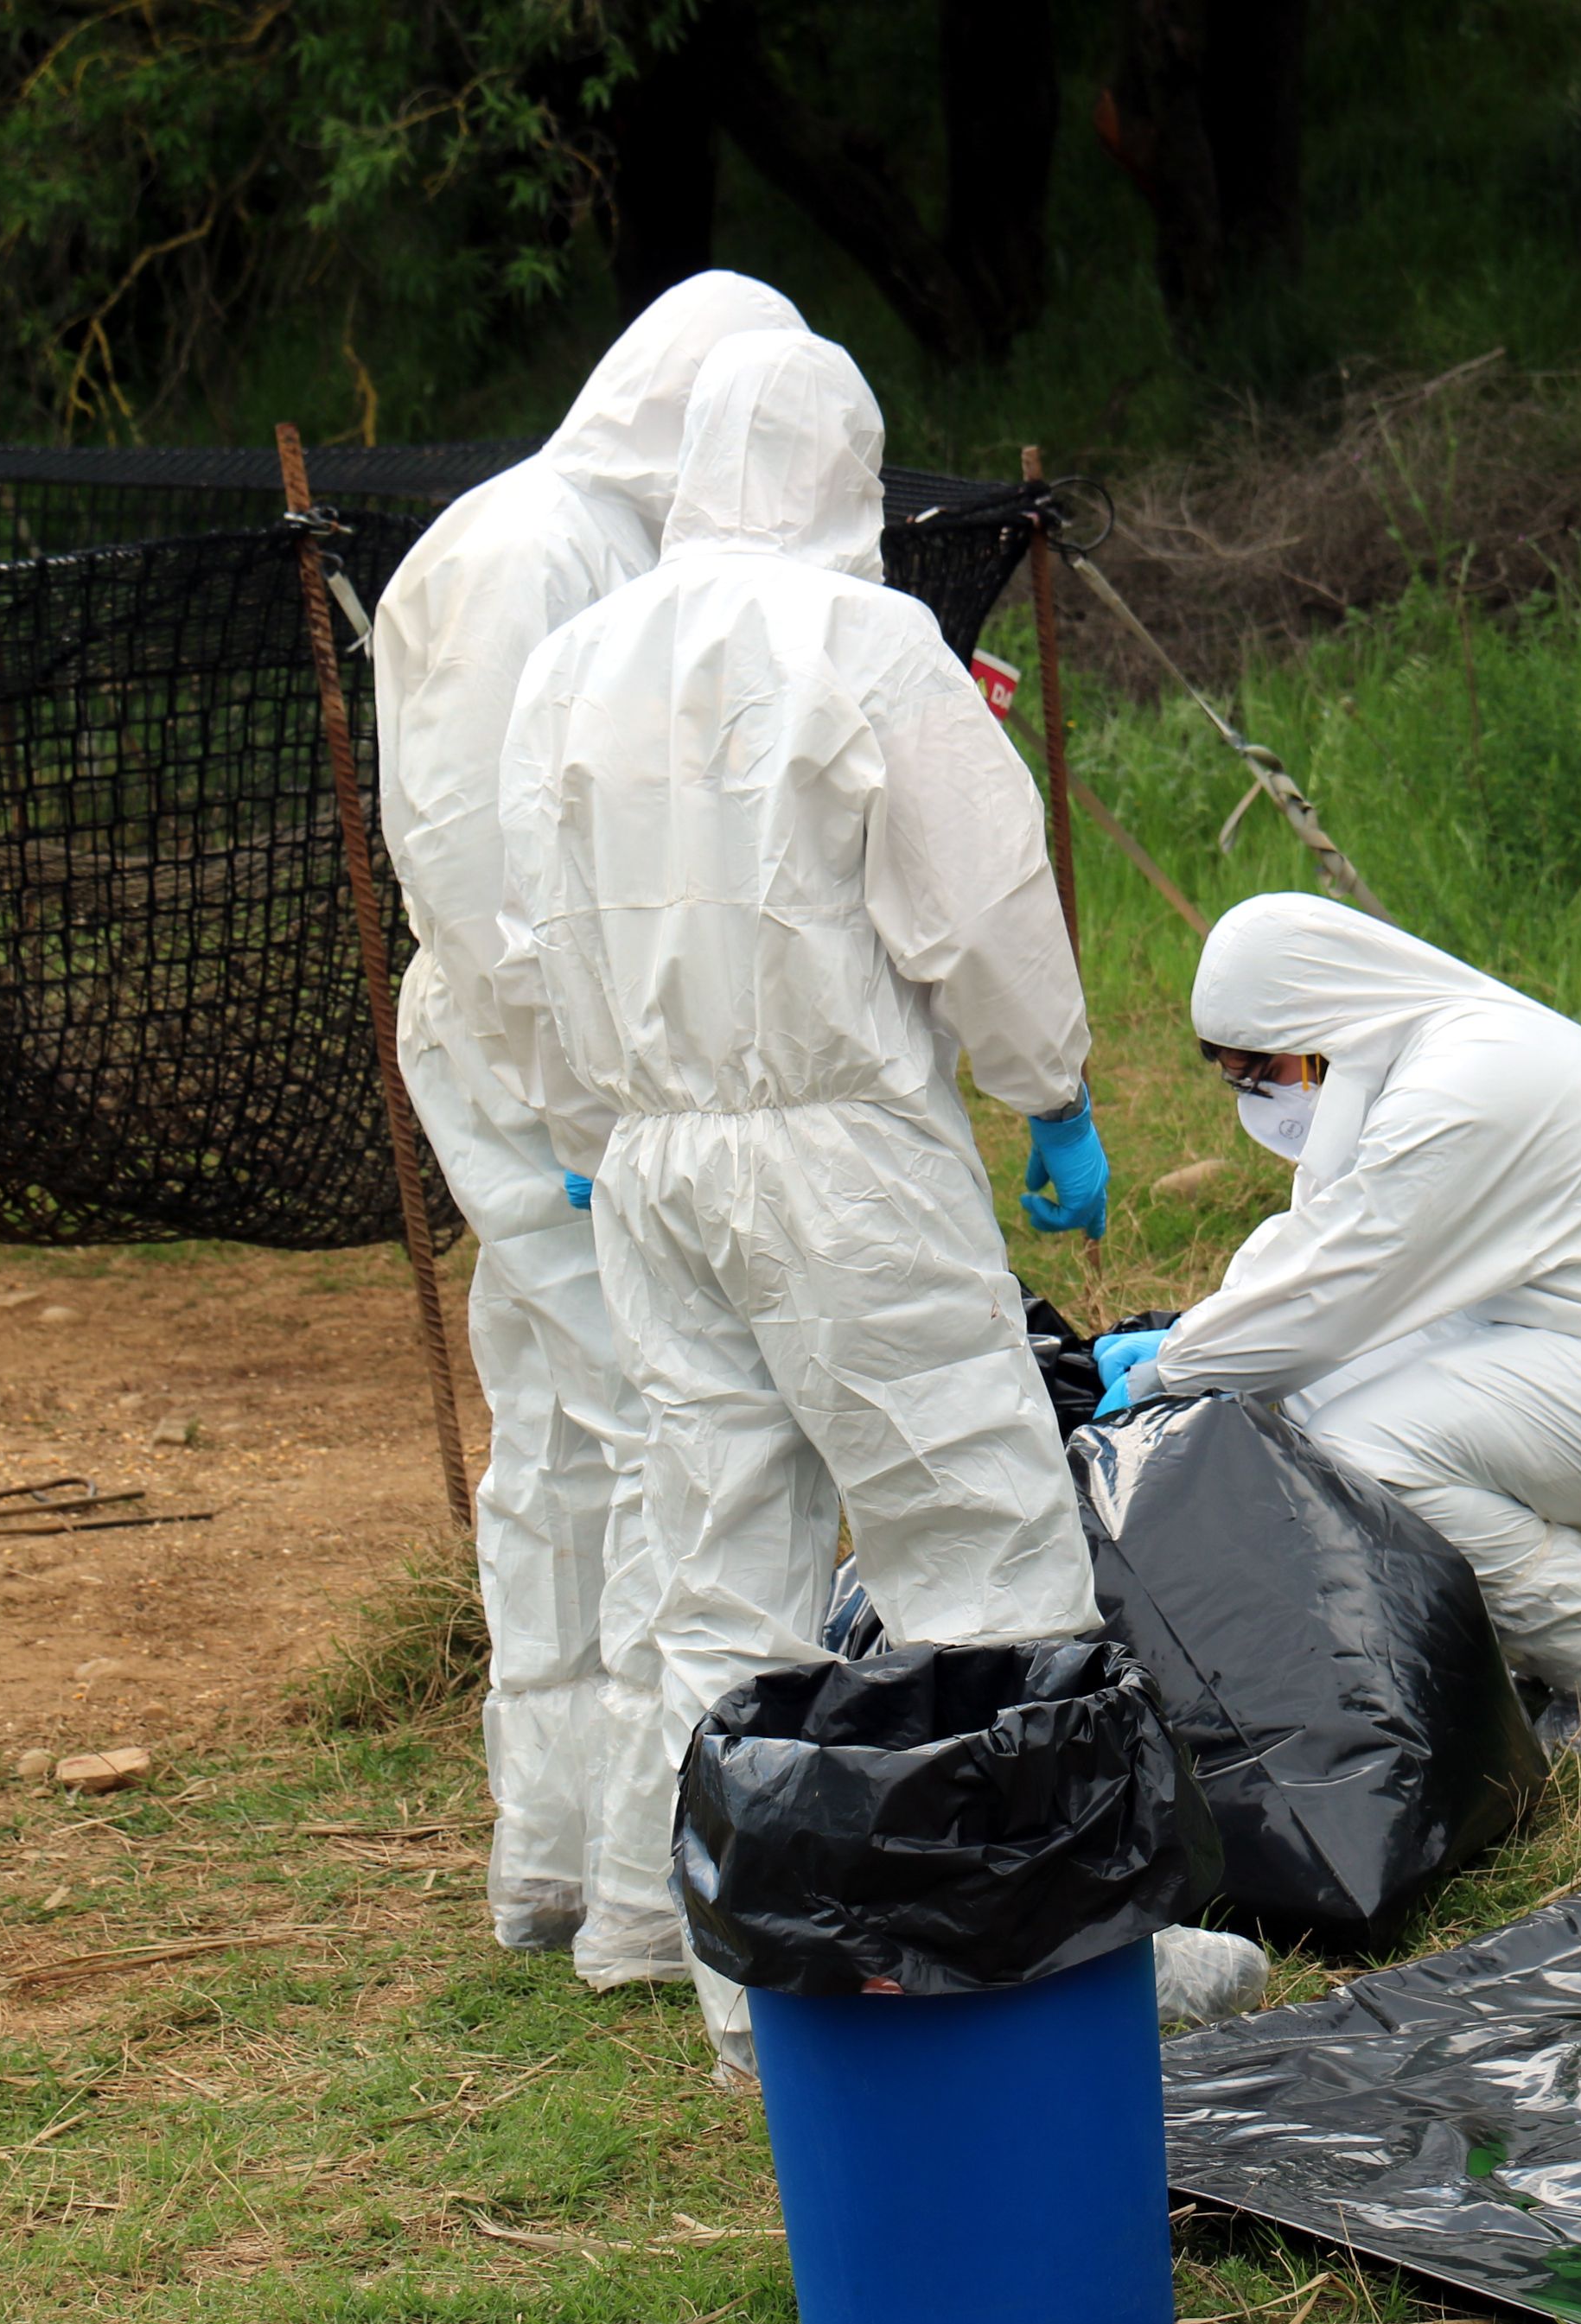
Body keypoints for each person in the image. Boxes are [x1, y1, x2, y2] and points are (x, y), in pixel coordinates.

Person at [499, 328, 1112, 2072]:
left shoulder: (574, 663)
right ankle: (1026, 1955)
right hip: (836, 1153)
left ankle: (749, 1989)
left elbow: (526, 927)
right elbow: (977, 900)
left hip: (653, 1170)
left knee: (721, 1573)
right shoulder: (866, 639)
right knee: (977, 1538)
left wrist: (581, 1111)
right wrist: (1048, 1085)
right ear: (852, 473)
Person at [369, 271, 806, 1958]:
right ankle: (647, 1882)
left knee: (563, 1438)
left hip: (561, 1058)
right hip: (541, 1065)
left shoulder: (600, 538)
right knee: (648, 1423)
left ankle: (561, 1858)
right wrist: (576, 1083)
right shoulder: (530, 548)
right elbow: (474, 852)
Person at [1098, 895, 1581, 1730]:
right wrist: (1197, 1338)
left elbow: (1337, 1288)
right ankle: (1577, 1634)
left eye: (1270, 1070)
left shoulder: (1460, 1087)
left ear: (1322, 1026)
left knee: (1369, 1451)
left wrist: (1174, 1370)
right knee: (1321, 1396)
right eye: (1240, 1077)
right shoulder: (1419, 1055)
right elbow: (1313, 1248)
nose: (1262, 1095)